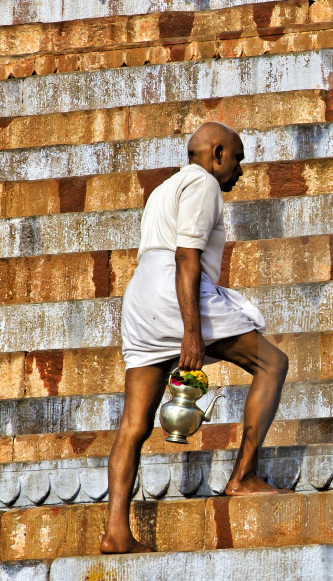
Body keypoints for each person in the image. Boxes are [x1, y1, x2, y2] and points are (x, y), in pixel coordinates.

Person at [100, 121, 290, 554]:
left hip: (141, 300)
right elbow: (187, 257)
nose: (240, 171)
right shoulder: (203, 183)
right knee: (272, 363)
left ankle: (115, 532)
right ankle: (243, 476)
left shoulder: (162, 190)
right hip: (175, 293)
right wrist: (192, 334)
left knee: (133, 424)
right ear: (217, 152)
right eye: (238, 159)